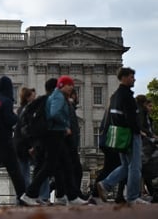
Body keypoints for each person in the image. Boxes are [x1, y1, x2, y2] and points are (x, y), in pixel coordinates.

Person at [21, 76, 88, 206]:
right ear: (62, 85)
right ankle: (29, 194)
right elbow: (54, 113)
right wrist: (65, 125)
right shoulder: (58, 97)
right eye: (69, 85)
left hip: (55, 135)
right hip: (55, 135)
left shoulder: (57, 96)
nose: (72, 87)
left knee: (65, 165)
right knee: (50, 166)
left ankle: (72, 197)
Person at [97, 67, 151, 205]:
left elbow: (114, 116)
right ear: (124, 77)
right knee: (135, 166)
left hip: (120, 135)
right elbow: (131, 117)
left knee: (126, 166)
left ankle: (105, 184)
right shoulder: (126, 96)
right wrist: (138, 130)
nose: (134, 79)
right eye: (132, 77)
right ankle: (132, 197)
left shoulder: (115, 96)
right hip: (130, 134)